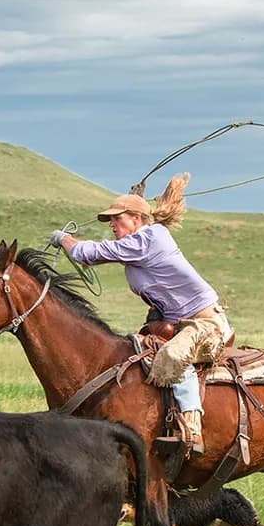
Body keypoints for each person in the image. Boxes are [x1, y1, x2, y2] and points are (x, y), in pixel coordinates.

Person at [53, 175, 228, 457]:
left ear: (136, 218)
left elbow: (91, 253)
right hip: (177, 323)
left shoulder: (150, 238)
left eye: (116, 219)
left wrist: (64, 239)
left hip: (205, 322)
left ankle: (192, 429)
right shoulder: (142, 240)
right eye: (110, 220)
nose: (111, 225)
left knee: (173, 356)